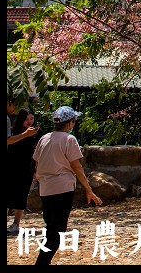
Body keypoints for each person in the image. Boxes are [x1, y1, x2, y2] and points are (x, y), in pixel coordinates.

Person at [32, 105, 102, 265]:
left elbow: (36, 163)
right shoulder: (69, 140)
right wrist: (89, 190)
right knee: (56, 232)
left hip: (45, 189)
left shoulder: (45, 138)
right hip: (62, 189)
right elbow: (77, 167)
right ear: (70, 123)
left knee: (50, 228)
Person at [7, 107, 40, 236]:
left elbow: (39, 150)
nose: (29, 122)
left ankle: (16, 223)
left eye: (31, 119)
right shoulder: (13, 131)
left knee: (22, 194)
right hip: (10, 166)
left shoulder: (38, 132)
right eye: (26, 119)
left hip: (27, 168)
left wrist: (37, 168)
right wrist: (25, 134)